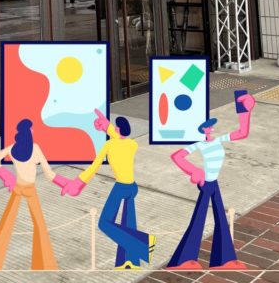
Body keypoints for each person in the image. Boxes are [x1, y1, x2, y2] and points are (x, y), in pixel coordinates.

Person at [167, 93, 256, 271]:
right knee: (199, 219)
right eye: (208, 126)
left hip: (213, 183)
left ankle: (223, 260)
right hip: (206, 183)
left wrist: (246, 111)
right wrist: (195, 171)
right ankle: (183, 260)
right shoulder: (199, 144)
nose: (212, 128)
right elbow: (177, 156)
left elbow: (242, 133)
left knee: (220, 218)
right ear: (203, 129)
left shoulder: (218, 140)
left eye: (211, 125)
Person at [0, 119, 72, 270]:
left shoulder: (12, 148)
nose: (33, 131)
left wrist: (8, 177)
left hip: (17, 188)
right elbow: (49, 174)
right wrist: (66, 183)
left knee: (5, 225)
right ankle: (43, 263)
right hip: (30, 189)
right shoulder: (35, 148)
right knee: (39, 225)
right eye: (32, 129)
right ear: (28, 131)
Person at [63, 110, 156, 270]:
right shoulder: (132, 144)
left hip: (121, 188)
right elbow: (119, 136)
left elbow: (94, 167)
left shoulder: (109, 145)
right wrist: (108, 127)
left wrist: (78, 182)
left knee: (104, 223)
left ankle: (143, 245)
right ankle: (130, 261)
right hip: (132, 187)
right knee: (129, 225)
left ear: (117, 129)